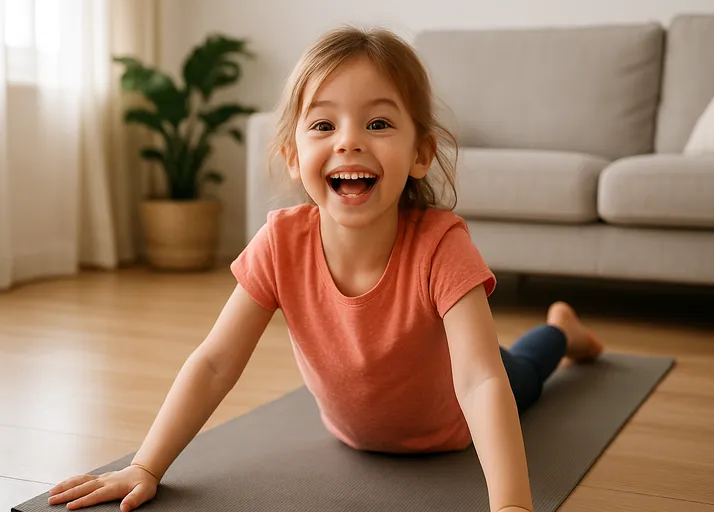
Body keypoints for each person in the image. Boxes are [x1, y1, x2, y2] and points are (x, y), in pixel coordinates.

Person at [47, 26, 603, 512]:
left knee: (522, 370)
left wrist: (510, 504)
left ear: (420, 154)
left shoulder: (442, 244)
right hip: (353, 433)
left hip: (452, 426)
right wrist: (145, 467)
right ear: (293, 155)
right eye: (322, 125)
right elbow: (215, 362)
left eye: (379, 123)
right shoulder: (280, 241)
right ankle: (560, 329)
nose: (349, 141)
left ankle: (562, 331)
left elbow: (480, 380)